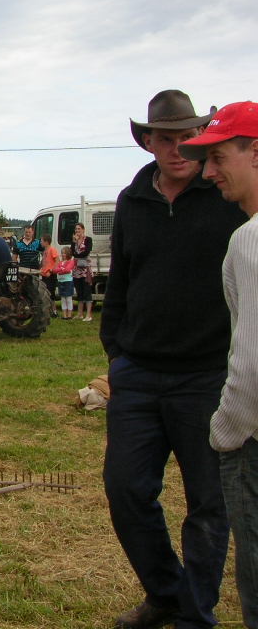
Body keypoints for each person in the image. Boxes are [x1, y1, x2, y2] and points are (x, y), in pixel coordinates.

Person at [101, 89, 248, 629]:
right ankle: (165, 592)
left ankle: (194, 614)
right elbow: (122, 277)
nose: (179, 147)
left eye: (189, 137)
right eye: (166, 137)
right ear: (148, 142)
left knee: (208, 502)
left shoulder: (224, 198)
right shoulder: (131, 199)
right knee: (125, 490)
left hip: (207, 375)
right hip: (138, 371)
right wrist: (115, 348)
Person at [178, 101, 258, 628]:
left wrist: (224, 430)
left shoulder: (249, 241)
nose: (208, 172)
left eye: (219, 156)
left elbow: (250, 365)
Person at [71, 223, 94, 321]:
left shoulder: (88, 239)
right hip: (77, 270)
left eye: (79, 229)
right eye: (76, 229)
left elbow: (86, 252)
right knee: (79, 292)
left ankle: (88, 315)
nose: (77, 231)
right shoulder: (74, 241)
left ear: (83, 230)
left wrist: (77, 255)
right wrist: (74, 242)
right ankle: (80, 314)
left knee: (87, 292)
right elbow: (72, 252)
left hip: (85, 269)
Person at [39, 233, 60, 317]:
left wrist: (51, 271)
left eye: (41, 241)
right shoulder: (45, 251)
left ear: (46, 242)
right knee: (46, 294)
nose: (40, 242)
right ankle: (48, 311)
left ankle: (54, 311)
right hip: (44, 275)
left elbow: (57, 261)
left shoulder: (52, 250)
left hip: (50, 275)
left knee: (51, 294)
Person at [55, 246, 75, 320]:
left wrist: (60, 271)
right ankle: (64, 315)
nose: (63, 255)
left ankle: (69, 315)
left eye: (64, 253)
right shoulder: (60, 262)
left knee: (69, 298)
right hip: (61, 282)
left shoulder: (71, 261)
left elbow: (68, 269)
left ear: (68, 254)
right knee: (63, 298)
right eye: (62, 253)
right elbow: (55, 270)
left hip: (68, 282)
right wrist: (61, 269)